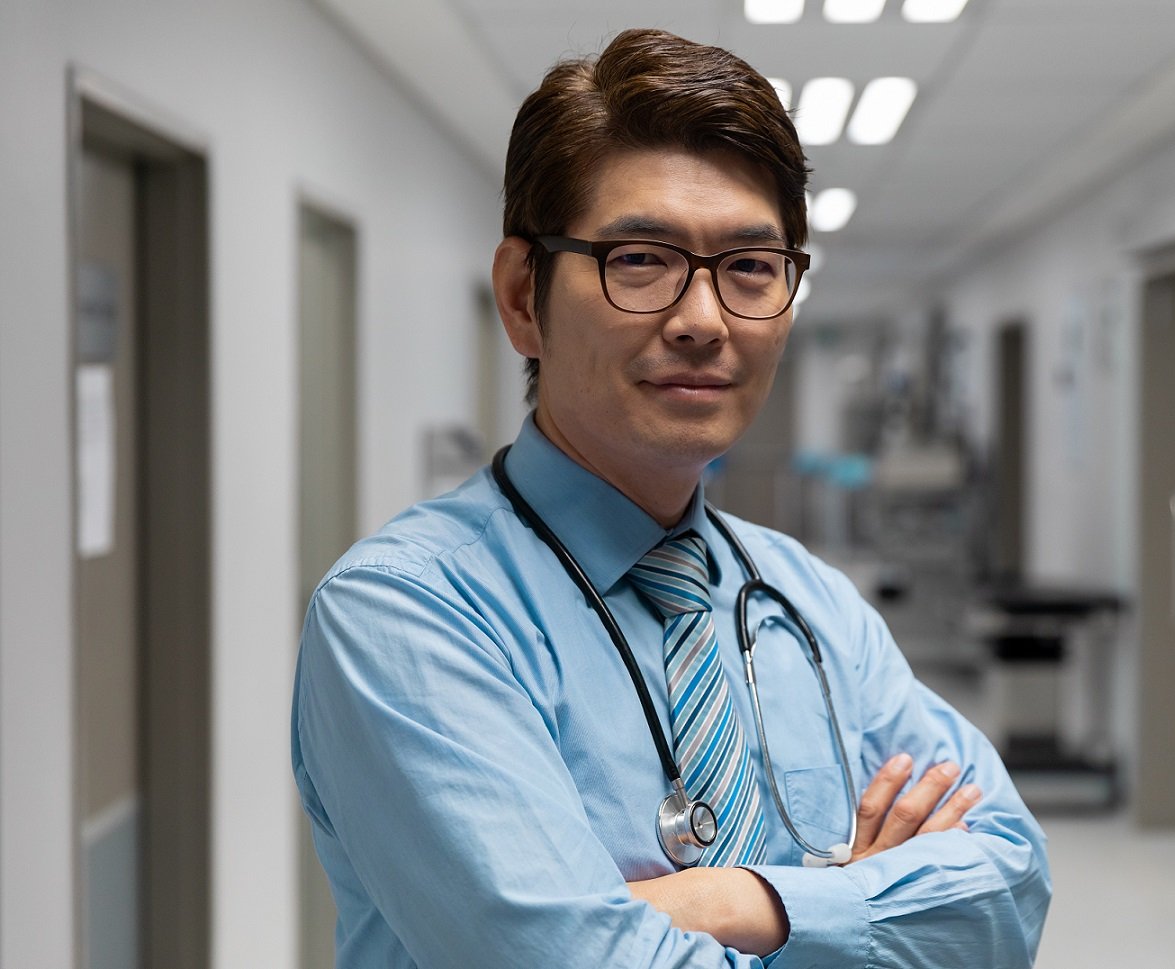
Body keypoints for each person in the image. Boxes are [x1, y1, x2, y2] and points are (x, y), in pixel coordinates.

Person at [291, 27, 1050, 968]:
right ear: (524, 297)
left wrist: (738, 900)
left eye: (751, 267)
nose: (702, 320)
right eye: (640, 259)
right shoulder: (408, 615)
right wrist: (863, 908)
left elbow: (1011, 885)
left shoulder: (810, 601)